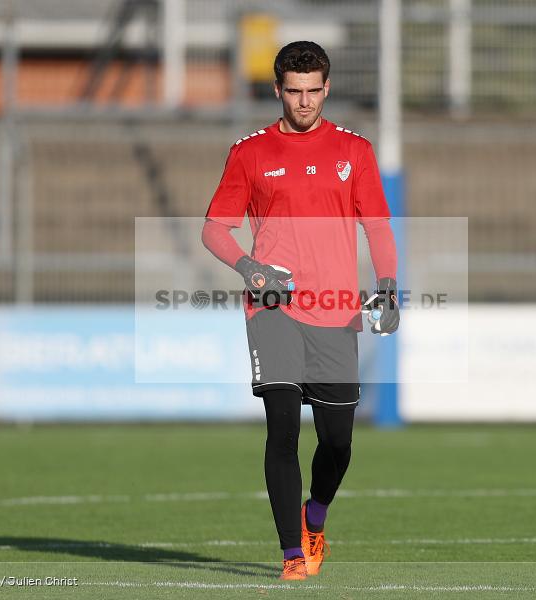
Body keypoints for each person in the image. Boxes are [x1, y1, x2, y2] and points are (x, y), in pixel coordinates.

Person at [201, 40, 399, 581]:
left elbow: (377, 225)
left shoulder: (355, 151)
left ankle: (316, 516)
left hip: (335, 309)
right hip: (272, 307)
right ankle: (292, 554)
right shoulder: (250, 153)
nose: (304, 101)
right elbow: (215, 228)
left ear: (327, 88)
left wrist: (385, 284)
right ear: (278, 90)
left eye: (313, 91)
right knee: (282, 427)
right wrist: (248, 268)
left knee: (337, 442)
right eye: (294, 91)